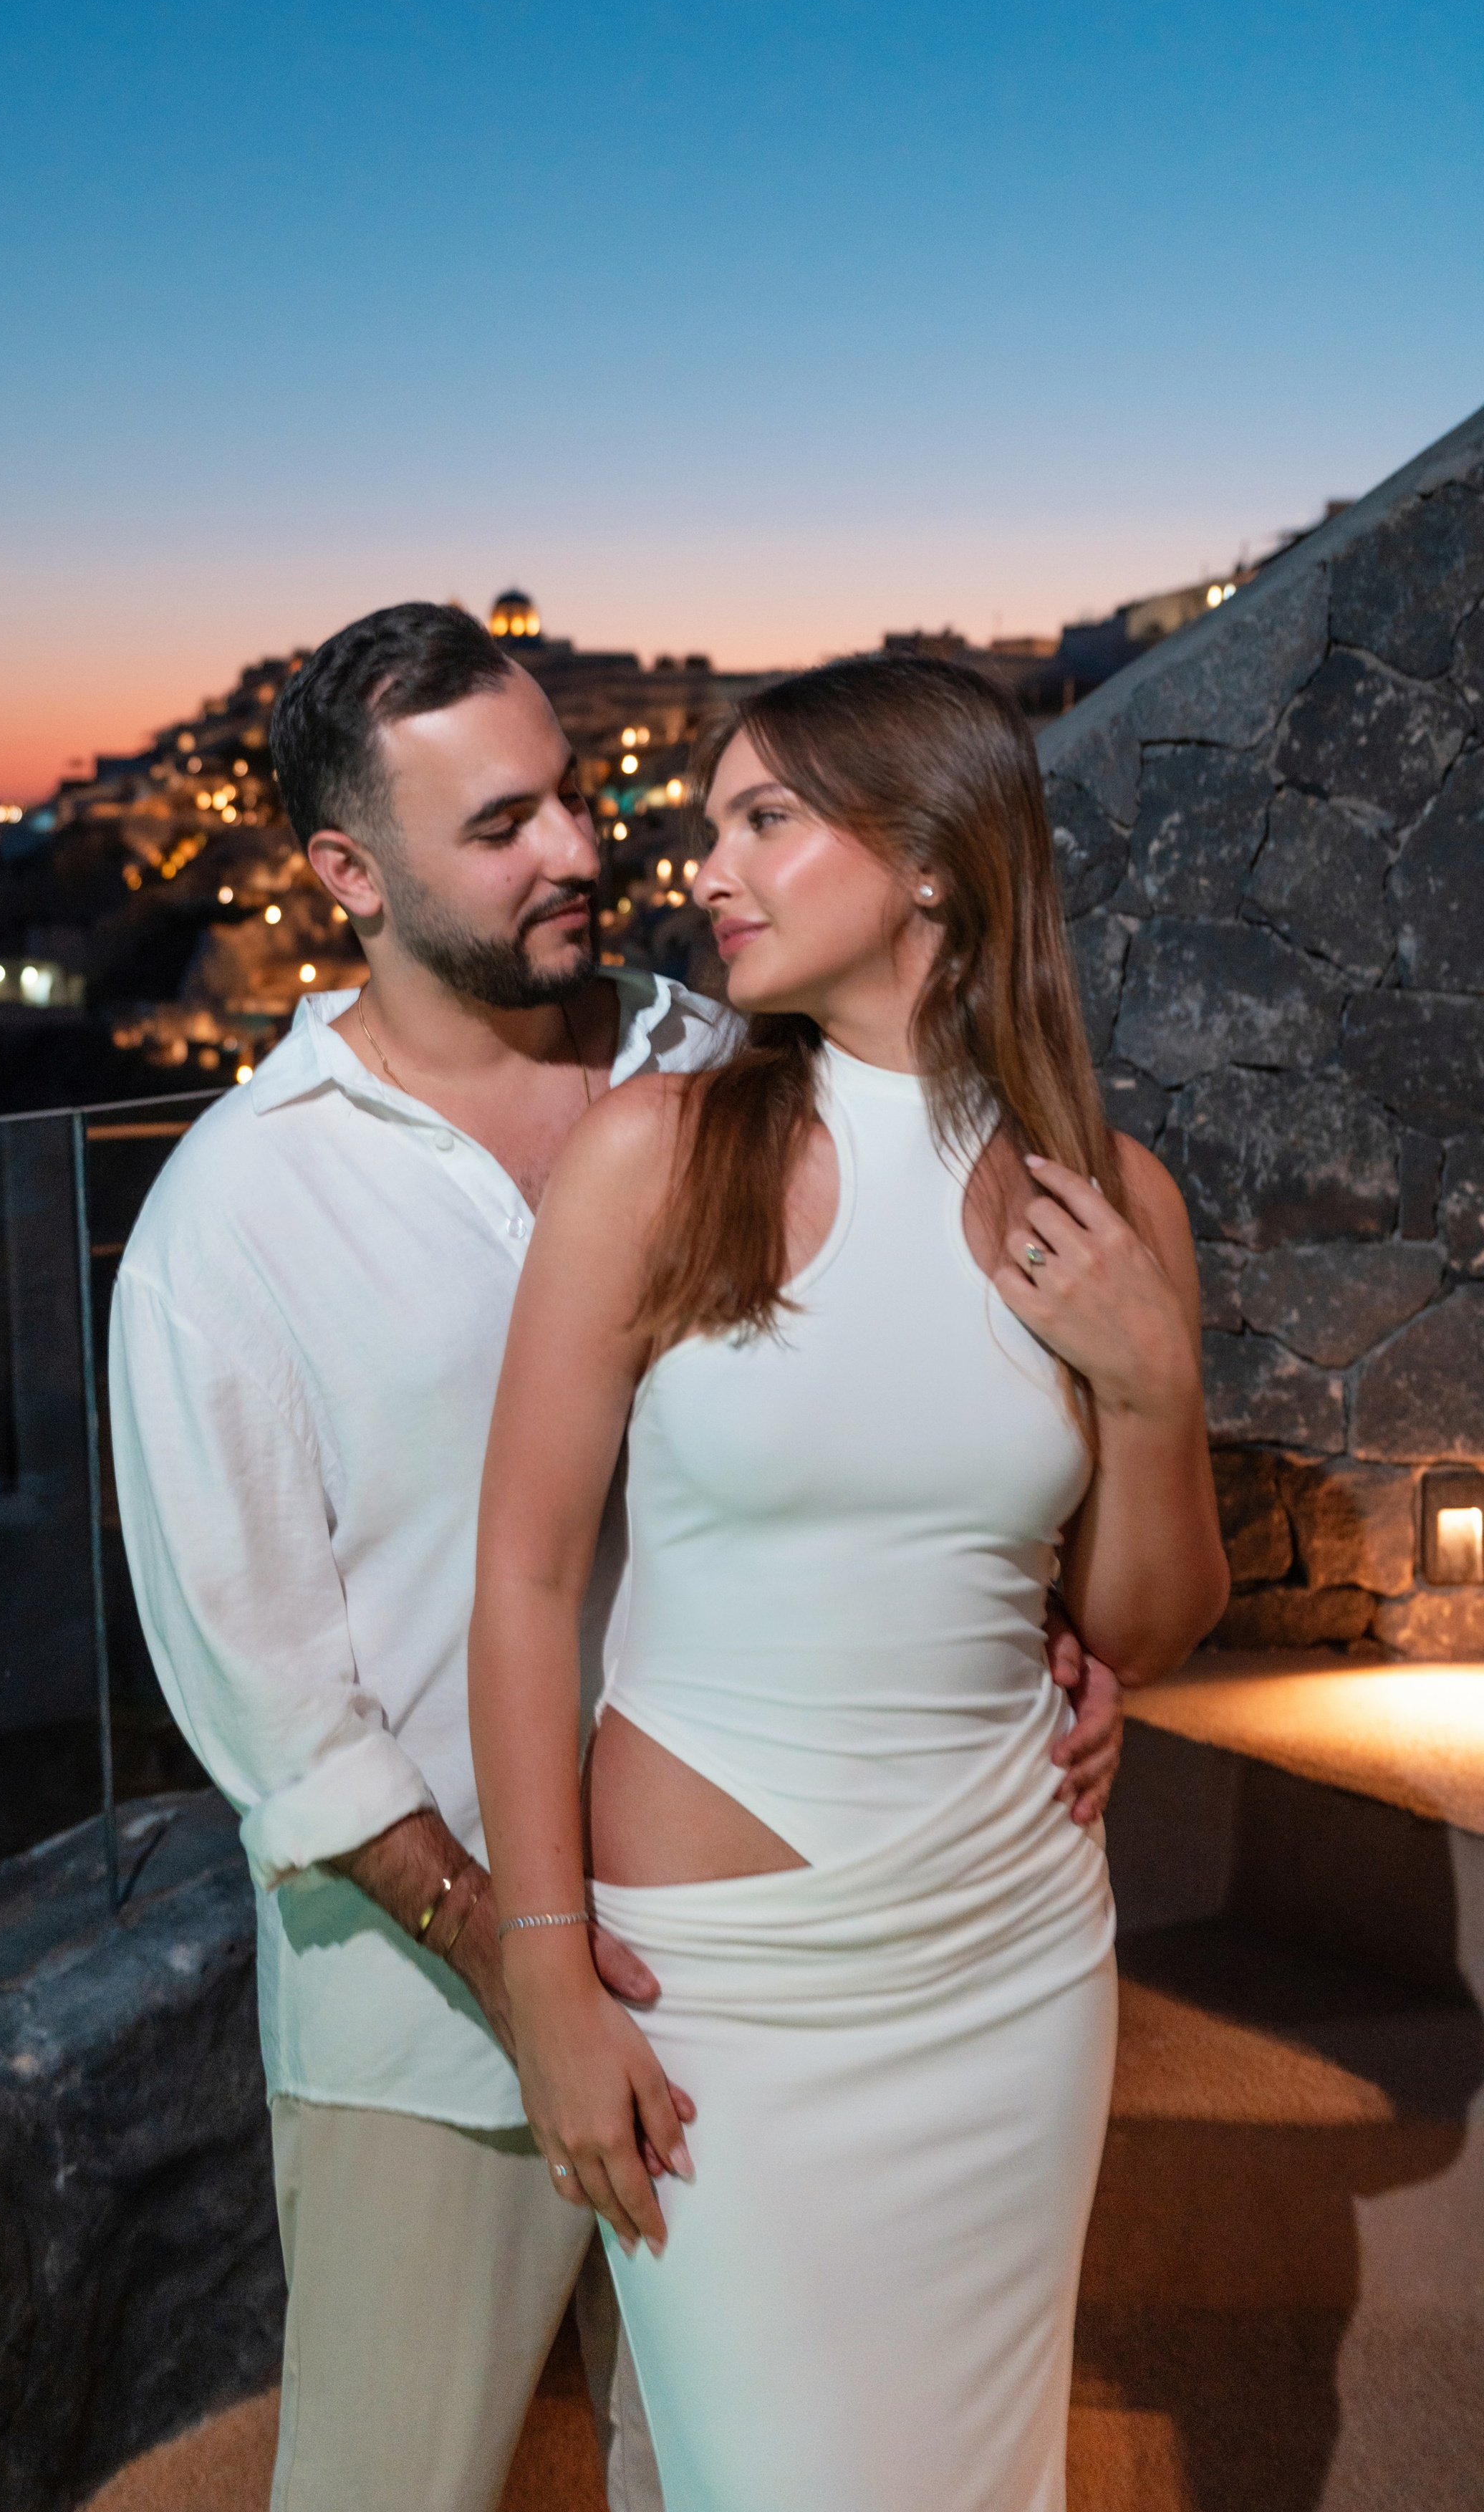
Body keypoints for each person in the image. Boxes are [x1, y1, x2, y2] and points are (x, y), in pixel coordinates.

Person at [110, 610, 1128, 2512]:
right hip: (440, 2002)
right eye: (502, 827)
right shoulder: (231, 1221)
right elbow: (275, 1702)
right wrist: (526, 1955)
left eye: (571, 797)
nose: (583, 852)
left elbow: (884, 1439)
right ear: (352, 876)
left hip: (753, 1955)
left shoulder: (728, 1063)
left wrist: (1060, 1649)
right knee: (388, 2484)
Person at [471, 655, 1228, 2512]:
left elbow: (1141, 1625)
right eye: (712, 821)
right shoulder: (655, 1157)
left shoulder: (1107, 1196)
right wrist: (546, 1977)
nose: (705, 864)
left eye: (765, 819)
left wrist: (1152, 1383)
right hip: (722, 1985)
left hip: (1012, 1942)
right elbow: (522, 1573)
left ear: (935, 867)